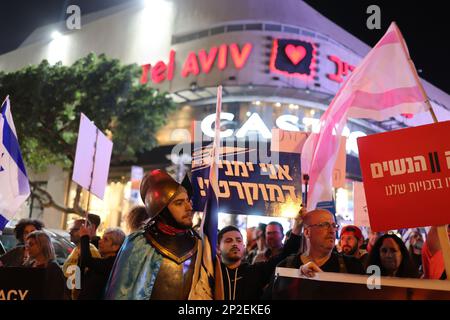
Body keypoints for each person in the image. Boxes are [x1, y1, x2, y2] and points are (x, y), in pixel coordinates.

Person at [104, 169, 209, 300]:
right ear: (162, 209)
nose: (189, 207)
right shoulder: (139, 243)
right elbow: (120, 294)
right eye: (179, 203)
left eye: (188, 200)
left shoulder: (199, 244)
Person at [217, 212, 303, 300]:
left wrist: (297, 227)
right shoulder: (211, 273)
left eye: (238, 240)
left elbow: (286, 254)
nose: (235, 244)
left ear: (243, 246)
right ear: (218, 247)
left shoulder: (255, 272)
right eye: (228, 240)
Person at [77, 225, 126, 300]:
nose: (100, 241)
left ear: (115, 246)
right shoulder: (102, 261)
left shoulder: (112, 264)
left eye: (105, 240)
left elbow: (87, 260)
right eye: (102, 238)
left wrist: (84, 237)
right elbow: (79, 282)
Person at [63, 218, 101, 300]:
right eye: (70, 229)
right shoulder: (75, 249)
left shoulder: (91, 250)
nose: (70, 232)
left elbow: (89, 281)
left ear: (85, 231)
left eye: (75, 230)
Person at [23, 230, 67, 299]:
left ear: (42, 245)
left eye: (31, 244)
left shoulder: (53, 268)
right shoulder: (29, 265)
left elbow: (55, 294)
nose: (27, 247)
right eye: (27, 245)